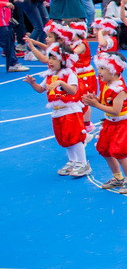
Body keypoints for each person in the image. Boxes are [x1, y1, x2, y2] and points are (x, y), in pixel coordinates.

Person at [24, 43, 89, 177]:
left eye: (54, 58)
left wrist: (61, 83)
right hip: (57, 111)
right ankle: (72, 161)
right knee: (64, 138)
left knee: (75, 138)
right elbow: (41, 89)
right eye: (50, 58)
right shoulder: (50, 75)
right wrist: (32, 83)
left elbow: (73, 90)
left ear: (64, 60)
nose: (51, 61)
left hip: (70, 110)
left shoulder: (69, 74)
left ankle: (83, 163)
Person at [82, 53, 127, 194]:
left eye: (102, 68)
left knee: (120, 153)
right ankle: (117, 177)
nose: (99, 71)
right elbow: (104, 101)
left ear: (113, 70)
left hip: (122, 124)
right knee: (105, 150)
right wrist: (95, 99)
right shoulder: (106, 83)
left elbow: (115, 110)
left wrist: (95, 104)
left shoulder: (119, 90)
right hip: (109, 123)